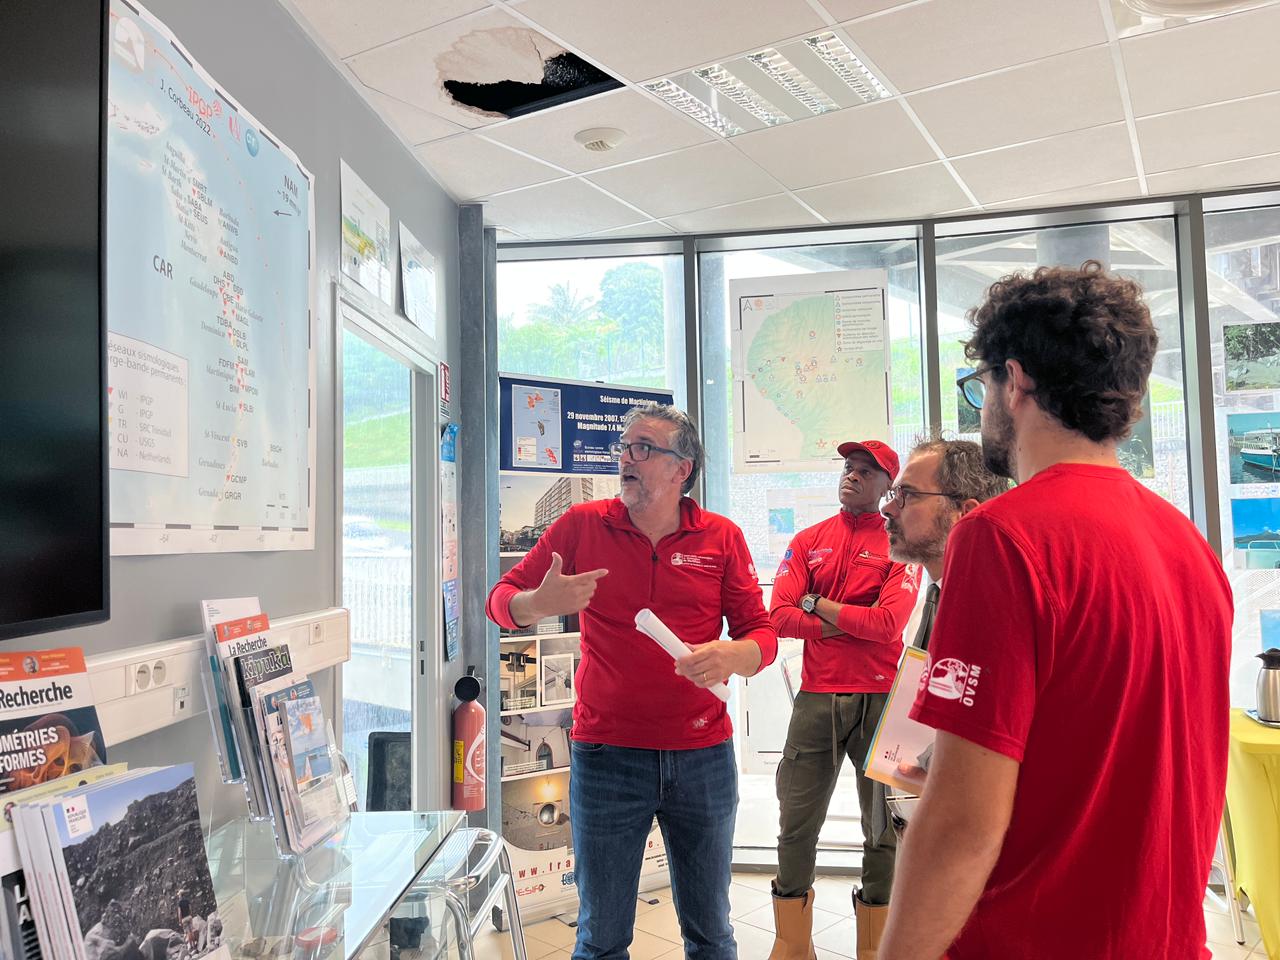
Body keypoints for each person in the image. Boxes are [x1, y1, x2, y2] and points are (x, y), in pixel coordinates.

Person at [879, 262, 1233, 960]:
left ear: (1014, 382)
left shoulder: (1001, 537)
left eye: (981, 384)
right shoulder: (1188, 544)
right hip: (1164, 939)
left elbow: (962, 824)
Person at [486, 402, 776, 960]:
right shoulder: (581, 525)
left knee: (711, 934)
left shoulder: (721, 537)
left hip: (702, 757)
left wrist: (734, 654)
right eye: (624, 447)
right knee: (601, 937)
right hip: (607, 757)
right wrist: (535, 603)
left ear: (681, 469)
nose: (626, 459)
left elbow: (761, 634)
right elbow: (498, 601)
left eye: (643, 448)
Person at [766, 440, 920, 960]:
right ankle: (792, 944)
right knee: (796, 823)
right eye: (849, 468)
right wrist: (851, 620)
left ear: (888, 487)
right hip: (817, 699)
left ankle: (875, 946)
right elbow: (779, 616)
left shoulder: (901, 546)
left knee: (883, 829)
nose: (852, 476)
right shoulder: (808, 540)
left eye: (866, 471)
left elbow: (888, 624)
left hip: (884, 701)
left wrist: (816, 603)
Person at [878, 438, 1008, 823]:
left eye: (908, 496)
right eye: (893, 494)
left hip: (962, 824)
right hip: (918, 813)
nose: (888, 508)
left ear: (964, 513)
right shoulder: (930, 599)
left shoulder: (995, 614)